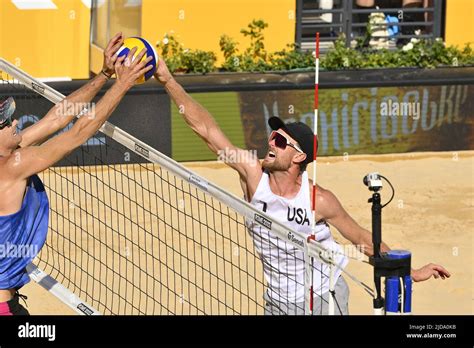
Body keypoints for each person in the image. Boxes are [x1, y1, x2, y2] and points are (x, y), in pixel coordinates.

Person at [154, 59, 450, 315]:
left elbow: (361, 237)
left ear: (299, 156)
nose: (271, 143)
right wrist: (167, 79)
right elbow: (206, 130)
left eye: (280, 142)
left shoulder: (318, 200)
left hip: (323, 297)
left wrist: (409, 272)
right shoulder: (252, 174)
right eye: (272, 137)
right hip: (278, 302)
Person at [0, 33, 153, 315]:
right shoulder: (12, 167)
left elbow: (59, 116)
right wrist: (122, 85)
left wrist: (105, 74)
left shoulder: (11, 156)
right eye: (6, 122)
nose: (15, 122)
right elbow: (78, 133)